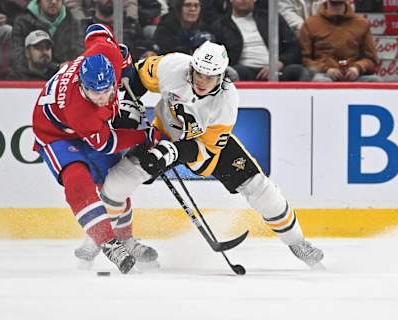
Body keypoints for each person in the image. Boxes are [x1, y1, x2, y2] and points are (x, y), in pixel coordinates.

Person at [76, 41, 325, 268]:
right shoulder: (173, 66)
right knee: (116, 184)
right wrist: (131, 103)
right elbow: (137, 76)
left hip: (206, 147)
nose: (202, 80)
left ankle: (298, 243)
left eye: (210, 76)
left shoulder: (227, 101)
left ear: (222, 76)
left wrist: (173, 153)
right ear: (192, 65)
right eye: (198, 72)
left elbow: (204, 151)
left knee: (261, 189)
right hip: (162, 134)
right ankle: (99, 239)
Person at [32, 23, 159, 274]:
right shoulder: (80, 111)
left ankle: (126, 239)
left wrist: (124, 60)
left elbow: (96, 30)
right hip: (56, 133)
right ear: (81, 85)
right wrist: (143, 136)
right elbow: (108, 142)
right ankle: (109, 243)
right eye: (93, 92)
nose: (101, 97)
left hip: (87, 125)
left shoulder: (105, 53)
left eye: (105, 91)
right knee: (77, 180)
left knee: (113, 180)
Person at [211, 0, 309, 81]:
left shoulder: (272, 18)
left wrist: (279, 63)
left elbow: (294, 47)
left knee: (298, 71)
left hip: (277, 69)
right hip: (244, 71)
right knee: (232, 72)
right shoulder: (220, 26)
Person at [299, 0, 381, 82]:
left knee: (376, 81)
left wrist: (357, 68)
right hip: (323, 75)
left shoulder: (362, 24)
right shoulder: (310, 23)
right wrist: (326, 69)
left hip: (355, 77)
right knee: (322, 81)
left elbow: (371, 59)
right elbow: (304, 60)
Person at [12, 0, 84, 74]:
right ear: (39, 1)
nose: (53, 2)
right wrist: (56, 67)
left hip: (64, 78)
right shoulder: (23, 23)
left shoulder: (73, 22)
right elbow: (18, 60)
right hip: (31, 78)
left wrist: (70, 67)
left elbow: (80, 56)